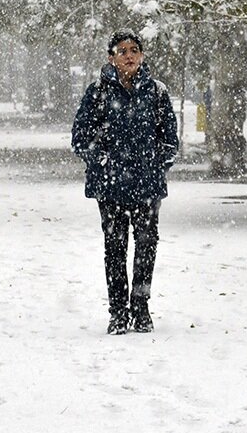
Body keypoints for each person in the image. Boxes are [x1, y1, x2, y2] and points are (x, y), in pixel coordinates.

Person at [71, 29, 179, 335]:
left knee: (146, 247)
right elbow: (80, 137)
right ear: (111, 57)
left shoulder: (156, 92)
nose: (129, 55)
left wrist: (158, 163)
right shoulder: (97, 92)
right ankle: (118, 311)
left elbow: (170, 139)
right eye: (122, 50)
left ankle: (141, 308)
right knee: (115, 248)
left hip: (147, 184)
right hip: (110, 185)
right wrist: (101, 160)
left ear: (142, 55)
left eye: (134, 50)